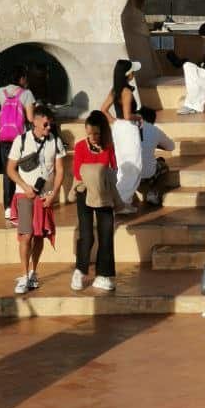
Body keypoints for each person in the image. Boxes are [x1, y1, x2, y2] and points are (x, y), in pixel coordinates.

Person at [6, 103, 66, 294]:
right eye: (46, 124)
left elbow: (60, 171)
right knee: (26, 235)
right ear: (36, 122)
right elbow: (10, 169)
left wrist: (54, 194)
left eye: (51, 125)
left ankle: (33, 272)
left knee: (39, 235)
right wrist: (25, 187)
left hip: (44, 197)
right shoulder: (21, 140)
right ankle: (23, 276)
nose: (49, 128)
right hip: (23, 195)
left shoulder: (55, 141)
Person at [70, 110, 118, 292]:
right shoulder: (81, 146)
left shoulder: (108, 147)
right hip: (85, 192)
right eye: (89, 133)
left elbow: (113, 167)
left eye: (96, 133)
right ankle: (80, 271)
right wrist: (96, 174)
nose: (93, 137)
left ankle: (103, 274)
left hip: (104, 193)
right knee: (87, 234)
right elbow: (76, 172)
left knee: (106, 233)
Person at [0, 63, 36, 222]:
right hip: (20, 138)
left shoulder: (2, 91)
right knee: (21, 170)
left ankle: (8, 207)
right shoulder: (27, 93)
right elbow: (30, 118)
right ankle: (22, 205)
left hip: (5, 138)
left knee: (8, 171)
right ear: (22, 78)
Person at [102, 60, 143, 213]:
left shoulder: (115, 90)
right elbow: (127, 115)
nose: (134, 73)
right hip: (128, 130)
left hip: (119, 129)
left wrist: (114, 122)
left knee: (123, 165)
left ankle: (121, 201)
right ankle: (122, 202)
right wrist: (138, 117)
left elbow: (103, 109)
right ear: (128, 74)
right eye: (133, 71)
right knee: (134, 166)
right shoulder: (127, 92)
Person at [138, 105, 176, 207]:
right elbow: (171, 147)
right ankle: (154, 193)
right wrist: (156, 143)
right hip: (145, 174)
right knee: (163, 166)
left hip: (126, 173)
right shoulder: (154, 130)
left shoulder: (128, 128)